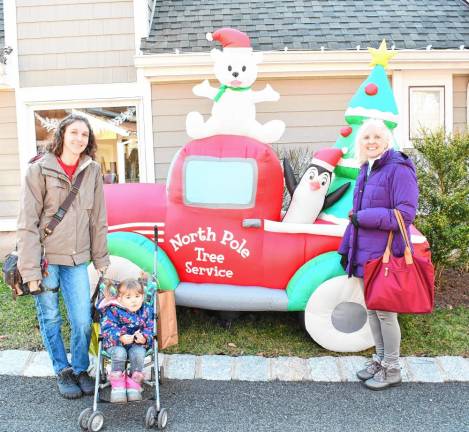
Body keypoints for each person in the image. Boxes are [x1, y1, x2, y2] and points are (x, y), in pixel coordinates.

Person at [17, 114, 110, 399]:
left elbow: (98, 219)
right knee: (51, 317)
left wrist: (101, 260)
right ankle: (63, 369)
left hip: (77, 258)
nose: (79, 139)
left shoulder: (92, 170)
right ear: (61, 135)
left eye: (84, 134)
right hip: (45, 258)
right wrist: (30, 272)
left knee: (82, 319)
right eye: (74, 133)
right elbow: (27, 223)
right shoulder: (39, 170)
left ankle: (81, 368)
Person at [338, 118, 419, 390]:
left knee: (385, 313)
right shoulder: (366, 169)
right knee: (372, 311)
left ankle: (393, 367)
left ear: (387, 140)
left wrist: (364, 217)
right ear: (359, 143)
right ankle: (381, 360)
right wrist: (346, 249)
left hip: (385, 254)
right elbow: (355, 219)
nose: (371, 141)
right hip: (364, 253)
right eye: (366, 137)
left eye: (376, 137)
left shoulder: (399, 169)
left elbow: (404, 215)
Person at [99, 278, 154, 403]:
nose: (134, 300)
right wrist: (120, 336)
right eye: (128, 297)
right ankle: (118, 384)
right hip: (115, 343)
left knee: (138, 353)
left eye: (137, 296)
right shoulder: (113, 310)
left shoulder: (146, 310)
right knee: (120, 353)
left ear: (143, 296)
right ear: (120, 299)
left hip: (136, 344)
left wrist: (145, 338)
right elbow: (107, 327)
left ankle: (134, 382)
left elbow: (150, 327)